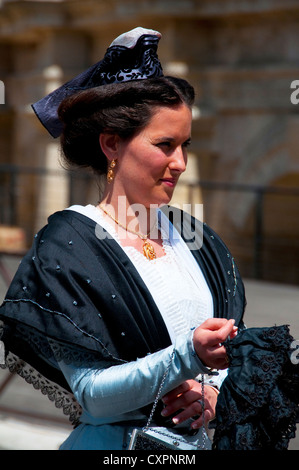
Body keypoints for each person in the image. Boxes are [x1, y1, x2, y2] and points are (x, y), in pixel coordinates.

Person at [0, 27, 246, 450]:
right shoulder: (68, 243)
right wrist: (188, 355)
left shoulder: (199, 241)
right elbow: (93, 398)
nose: (180, 163)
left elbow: (236, 352)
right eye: (164, 144)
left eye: (186, 144)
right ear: (112, 144)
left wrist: (214, 392)